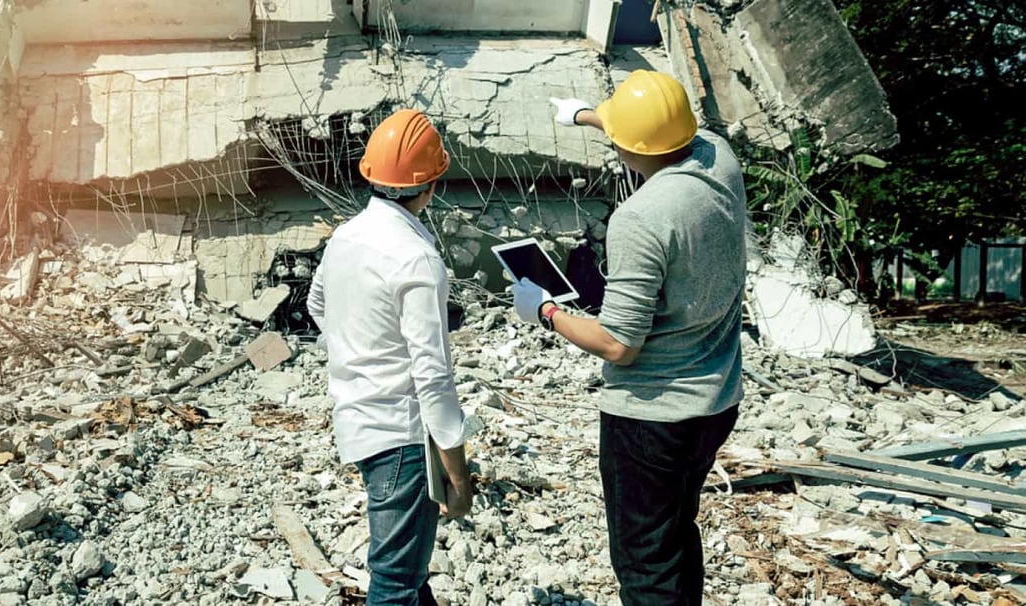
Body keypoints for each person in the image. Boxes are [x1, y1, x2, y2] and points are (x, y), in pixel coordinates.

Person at [514, 70, 747, 605]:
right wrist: (588, 116)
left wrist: (545, 311)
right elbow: (667, 130)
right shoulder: (719, 160)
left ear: (628, 146)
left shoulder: (641, 217)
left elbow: (620, 343)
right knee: (675, 535)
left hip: (651, 418)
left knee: (645, 564)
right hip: (715, 401)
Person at [308, 108, 474, 606]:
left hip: (357, 420)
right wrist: (459, 474)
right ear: (432, 185)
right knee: (396, 582)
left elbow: (319, 304)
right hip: (401, 437)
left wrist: (361, 354)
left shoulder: (346, 235)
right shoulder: (417, 258)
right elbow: (433, 376)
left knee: (408, 570)